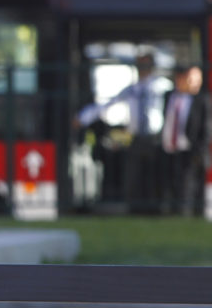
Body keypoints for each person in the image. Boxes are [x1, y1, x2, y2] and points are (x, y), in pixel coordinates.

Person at [77, 52, 170, 213]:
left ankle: (156, 210)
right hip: (136, 138)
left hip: (156, 139)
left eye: (146, 64)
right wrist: (83, 118)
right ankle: (135, 210)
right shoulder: (132, 90)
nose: (143, 68)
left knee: (155, 176)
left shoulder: (162, 87)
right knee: (133, 176)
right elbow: (106, 105)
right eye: (140, 64)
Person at [161, 65, 211, 216]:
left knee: (188, 188)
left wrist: (199, 151)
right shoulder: (168, 96)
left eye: (197, 79)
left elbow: (206, 129)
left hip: (191, 151)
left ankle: (187, 215)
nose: (194, 83)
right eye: (190, 78)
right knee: (169, 186)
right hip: (169, 149)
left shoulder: (202, 100)